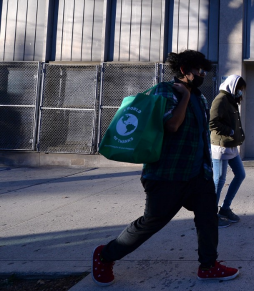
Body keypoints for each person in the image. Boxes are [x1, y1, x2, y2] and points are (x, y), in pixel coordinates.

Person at [92, 50, 239, 286]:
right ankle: (105, 254)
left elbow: (200, 136)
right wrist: (183, 97)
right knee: (152, 222)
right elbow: (172, 125)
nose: (202, 74)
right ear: (183, 70)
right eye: (198, 70)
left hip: (197, 174)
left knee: (208, 217)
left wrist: (207, 170)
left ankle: (209, 265)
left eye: (204, 70)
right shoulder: (165, 91)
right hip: (167, 174)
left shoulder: (199, 97)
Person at [209, 75, 246, 228]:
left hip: (231, 146)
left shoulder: (230, 100)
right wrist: (230, 131)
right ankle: (210, 215)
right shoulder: (221, 99)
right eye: (239, 89)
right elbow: (212, 122)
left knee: (240, 174)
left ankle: (225, 209)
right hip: (221, 146)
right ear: (233, 86)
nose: (240, 92)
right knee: (219, 180)